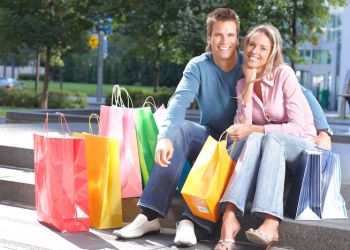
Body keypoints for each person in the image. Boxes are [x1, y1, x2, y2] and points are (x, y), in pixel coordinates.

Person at [113, 8, 332, 247]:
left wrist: (323, 130)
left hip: (241, 140)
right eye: (218, 35)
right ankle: (150, 214)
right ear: (209, 38)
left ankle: (192, 221)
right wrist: (164, 137)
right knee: (182, 130)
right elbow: (179, 101)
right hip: (216, 135)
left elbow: (303, 94)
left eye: (230, 35)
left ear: (237, 37)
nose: (225, 41)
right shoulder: (200, 66)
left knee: (235, 143)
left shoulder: (251, 62)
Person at [215, 24, 321, 250]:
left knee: (266, 138)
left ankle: (271, 221)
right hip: (267, 149)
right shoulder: (242, 84)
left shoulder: (284, 74)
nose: (255, 51)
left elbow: (297, 129)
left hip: (301, 148)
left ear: (272, 52)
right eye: (252, 45)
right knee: (255, 139)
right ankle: (230, 218)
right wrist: (250, 83)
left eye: (263, 47)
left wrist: (255, 130)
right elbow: (240, 129)